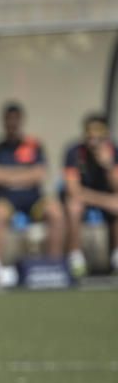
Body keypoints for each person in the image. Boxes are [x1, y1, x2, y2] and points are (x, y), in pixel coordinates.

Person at [0, 102, 64, 283]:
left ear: (21, 121)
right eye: (9, 120)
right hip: (7, 200)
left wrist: (8, 175)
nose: (12, 124)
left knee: (56, 211)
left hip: (32, 199)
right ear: (3, 122)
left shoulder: (34, 145)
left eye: (15, 120)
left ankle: (55, 265)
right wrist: (24, 174)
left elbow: (39, 174)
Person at [62, 113, 118, 277]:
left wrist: (107, 166)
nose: (93, 137)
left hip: (104, 202)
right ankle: (75, 259)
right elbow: (73, 191)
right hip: (84, 200)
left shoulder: (113, 151)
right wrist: (105, 201)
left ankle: (116, 258)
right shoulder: (74, 152)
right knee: (73, 206)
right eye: (89, 131)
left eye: (98, 131)